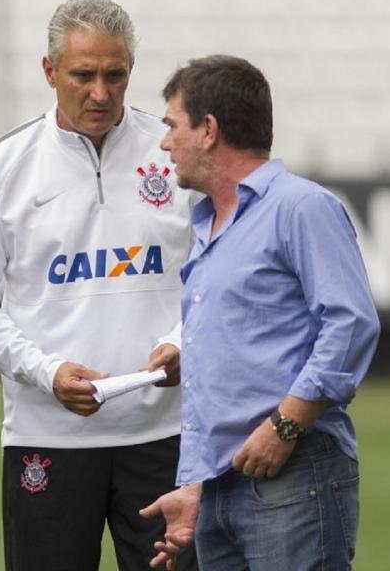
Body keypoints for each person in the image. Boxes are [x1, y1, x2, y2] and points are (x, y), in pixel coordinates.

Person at [0, 0, 198, 571]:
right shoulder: (5, 165)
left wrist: (187, 342)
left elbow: (216, 278)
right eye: (83, 75)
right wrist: (46, 372)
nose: (101, 92)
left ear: (131, 70)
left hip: (166, 435)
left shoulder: (175, 153)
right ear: (49, 71)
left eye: (116, 74)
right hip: (49, 437)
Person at [140, 55, 381, 570]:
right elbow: (222, 372)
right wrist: (196, 485)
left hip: (295, 471)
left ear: (208, 130)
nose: (164, 143)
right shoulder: (206, 222)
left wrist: (284, 427)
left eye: (171, 126)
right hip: (220, 490)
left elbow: (351, 324)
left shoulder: (300, 207)